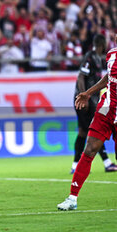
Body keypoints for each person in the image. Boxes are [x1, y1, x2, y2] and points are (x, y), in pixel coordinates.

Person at [57, 35, 117, 211]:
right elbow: (108, 77)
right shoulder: (111, 54)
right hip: (106, 108)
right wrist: (88, 93)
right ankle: (72, 198)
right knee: (89, 149)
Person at [71, 34, 117, 174]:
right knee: (91, 132)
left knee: (85, 132)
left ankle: (76, 164)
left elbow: (107, 77)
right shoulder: (90, 57)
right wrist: (85, 94)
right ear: (102, 44)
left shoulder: (99, 58)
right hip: (86, 101)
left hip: (93, 100)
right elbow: (81, 76)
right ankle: (105, 162)